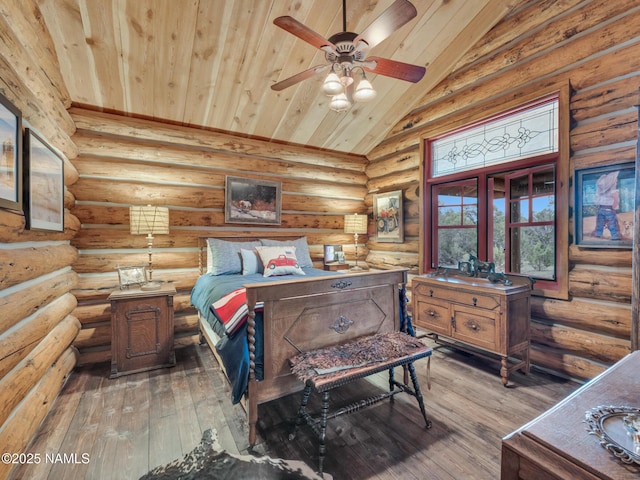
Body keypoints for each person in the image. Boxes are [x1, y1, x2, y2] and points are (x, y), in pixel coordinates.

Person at [593, 170, 621, 240]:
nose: (617, 182)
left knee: (600, 223)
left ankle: (598, 234)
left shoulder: (600, 192)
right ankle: (615, 236)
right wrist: (615, 207)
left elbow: (596, 201)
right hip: (609, 210)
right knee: (612, 223)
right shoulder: (613, 191)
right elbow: (616, 200)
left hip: (601, 209)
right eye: (616, 181)